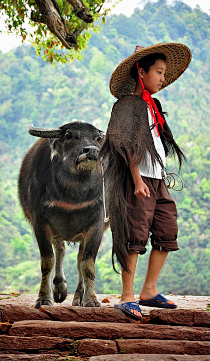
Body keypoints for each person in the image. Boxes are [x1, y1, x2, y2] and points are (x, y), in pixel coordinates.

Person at [99, 43, 192, 320]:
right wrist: (137, 179)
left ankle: (149, 290)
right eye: (159, 72)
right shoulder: (126, 105)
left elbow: (156, 142)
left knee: (167, 227)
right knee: (134, 235)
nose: (163, 78)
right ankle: (127, 296)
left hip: (157, 179)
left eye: (164, 73)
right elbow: (125, 145)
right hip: (136, 181)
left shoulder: (154, 105)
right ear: (142, 71)